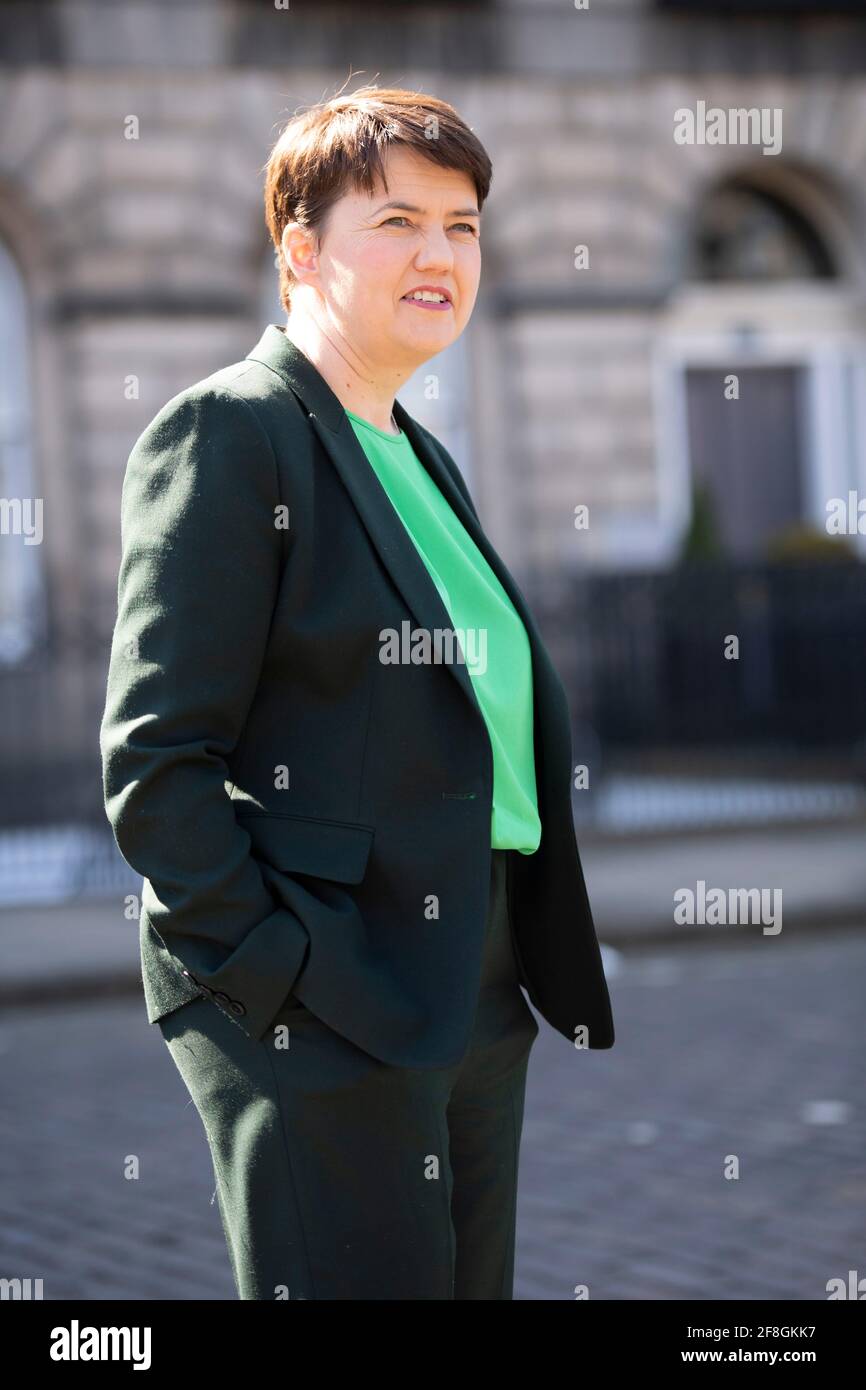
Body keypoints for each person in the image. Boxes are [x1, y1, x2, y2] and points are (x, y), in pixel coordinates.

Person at [100, 83, 615, 1301]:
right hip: (328, 989)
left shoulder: (417, 452)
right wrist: (280, 973)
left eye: (463, 224)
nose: (440, 252)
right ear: (300, 248)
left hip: (475, 981)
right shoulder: (231, 431)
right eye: (396, 221)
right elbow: (156, 762)